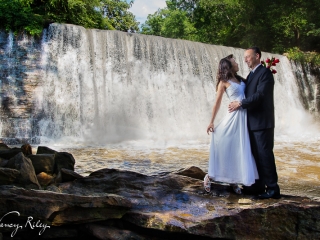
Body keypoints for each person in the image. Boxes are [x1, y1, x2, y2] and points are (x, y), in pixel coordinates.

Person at [228, 47, 280, 199]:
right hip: (251, 123)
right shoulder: (251, 75)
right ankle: (258, 186)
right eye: (244, 58)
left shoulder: (265, 73)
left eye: (248, 57)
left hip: (262, 123)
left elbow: (261, 95)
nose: (245, 60)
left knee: (265, 155)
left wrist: (240, 104)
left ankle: (272, 189)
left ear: (257, 56)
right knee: (255, 156)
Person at [204, 55, 259, 194]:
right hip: (233, 119)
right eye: (234, 61)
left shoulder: (241, 79)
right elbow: (217, 102)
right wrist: (211, 121)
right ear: (228, 65)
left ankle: (233, 180)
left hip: (244, 117)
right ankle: (209, 176)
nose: (237, 62)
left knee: (238, 149)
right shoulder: (223, 82)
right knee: (225, 146)